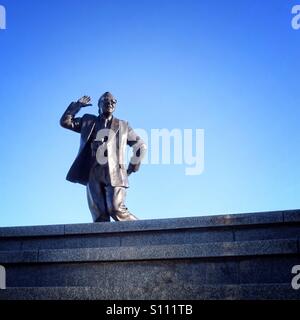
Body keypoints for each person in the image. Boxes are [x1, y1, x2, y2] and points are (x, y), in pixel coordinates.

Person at [60, 92, 147, 222]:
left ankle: (145, 232)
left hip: (115, 173)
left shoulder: (123, 125)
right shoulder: (88, 121)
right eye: (106, 101)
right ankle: (104, 242)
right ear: (99, 105)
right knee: (99, 216)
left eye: (113, 101)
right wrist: (77, 106)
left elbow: (140, 146)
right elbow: (65, 122)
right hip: (93, 173)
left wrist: (132, 167)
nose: (110, 103)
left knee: (117, 209)